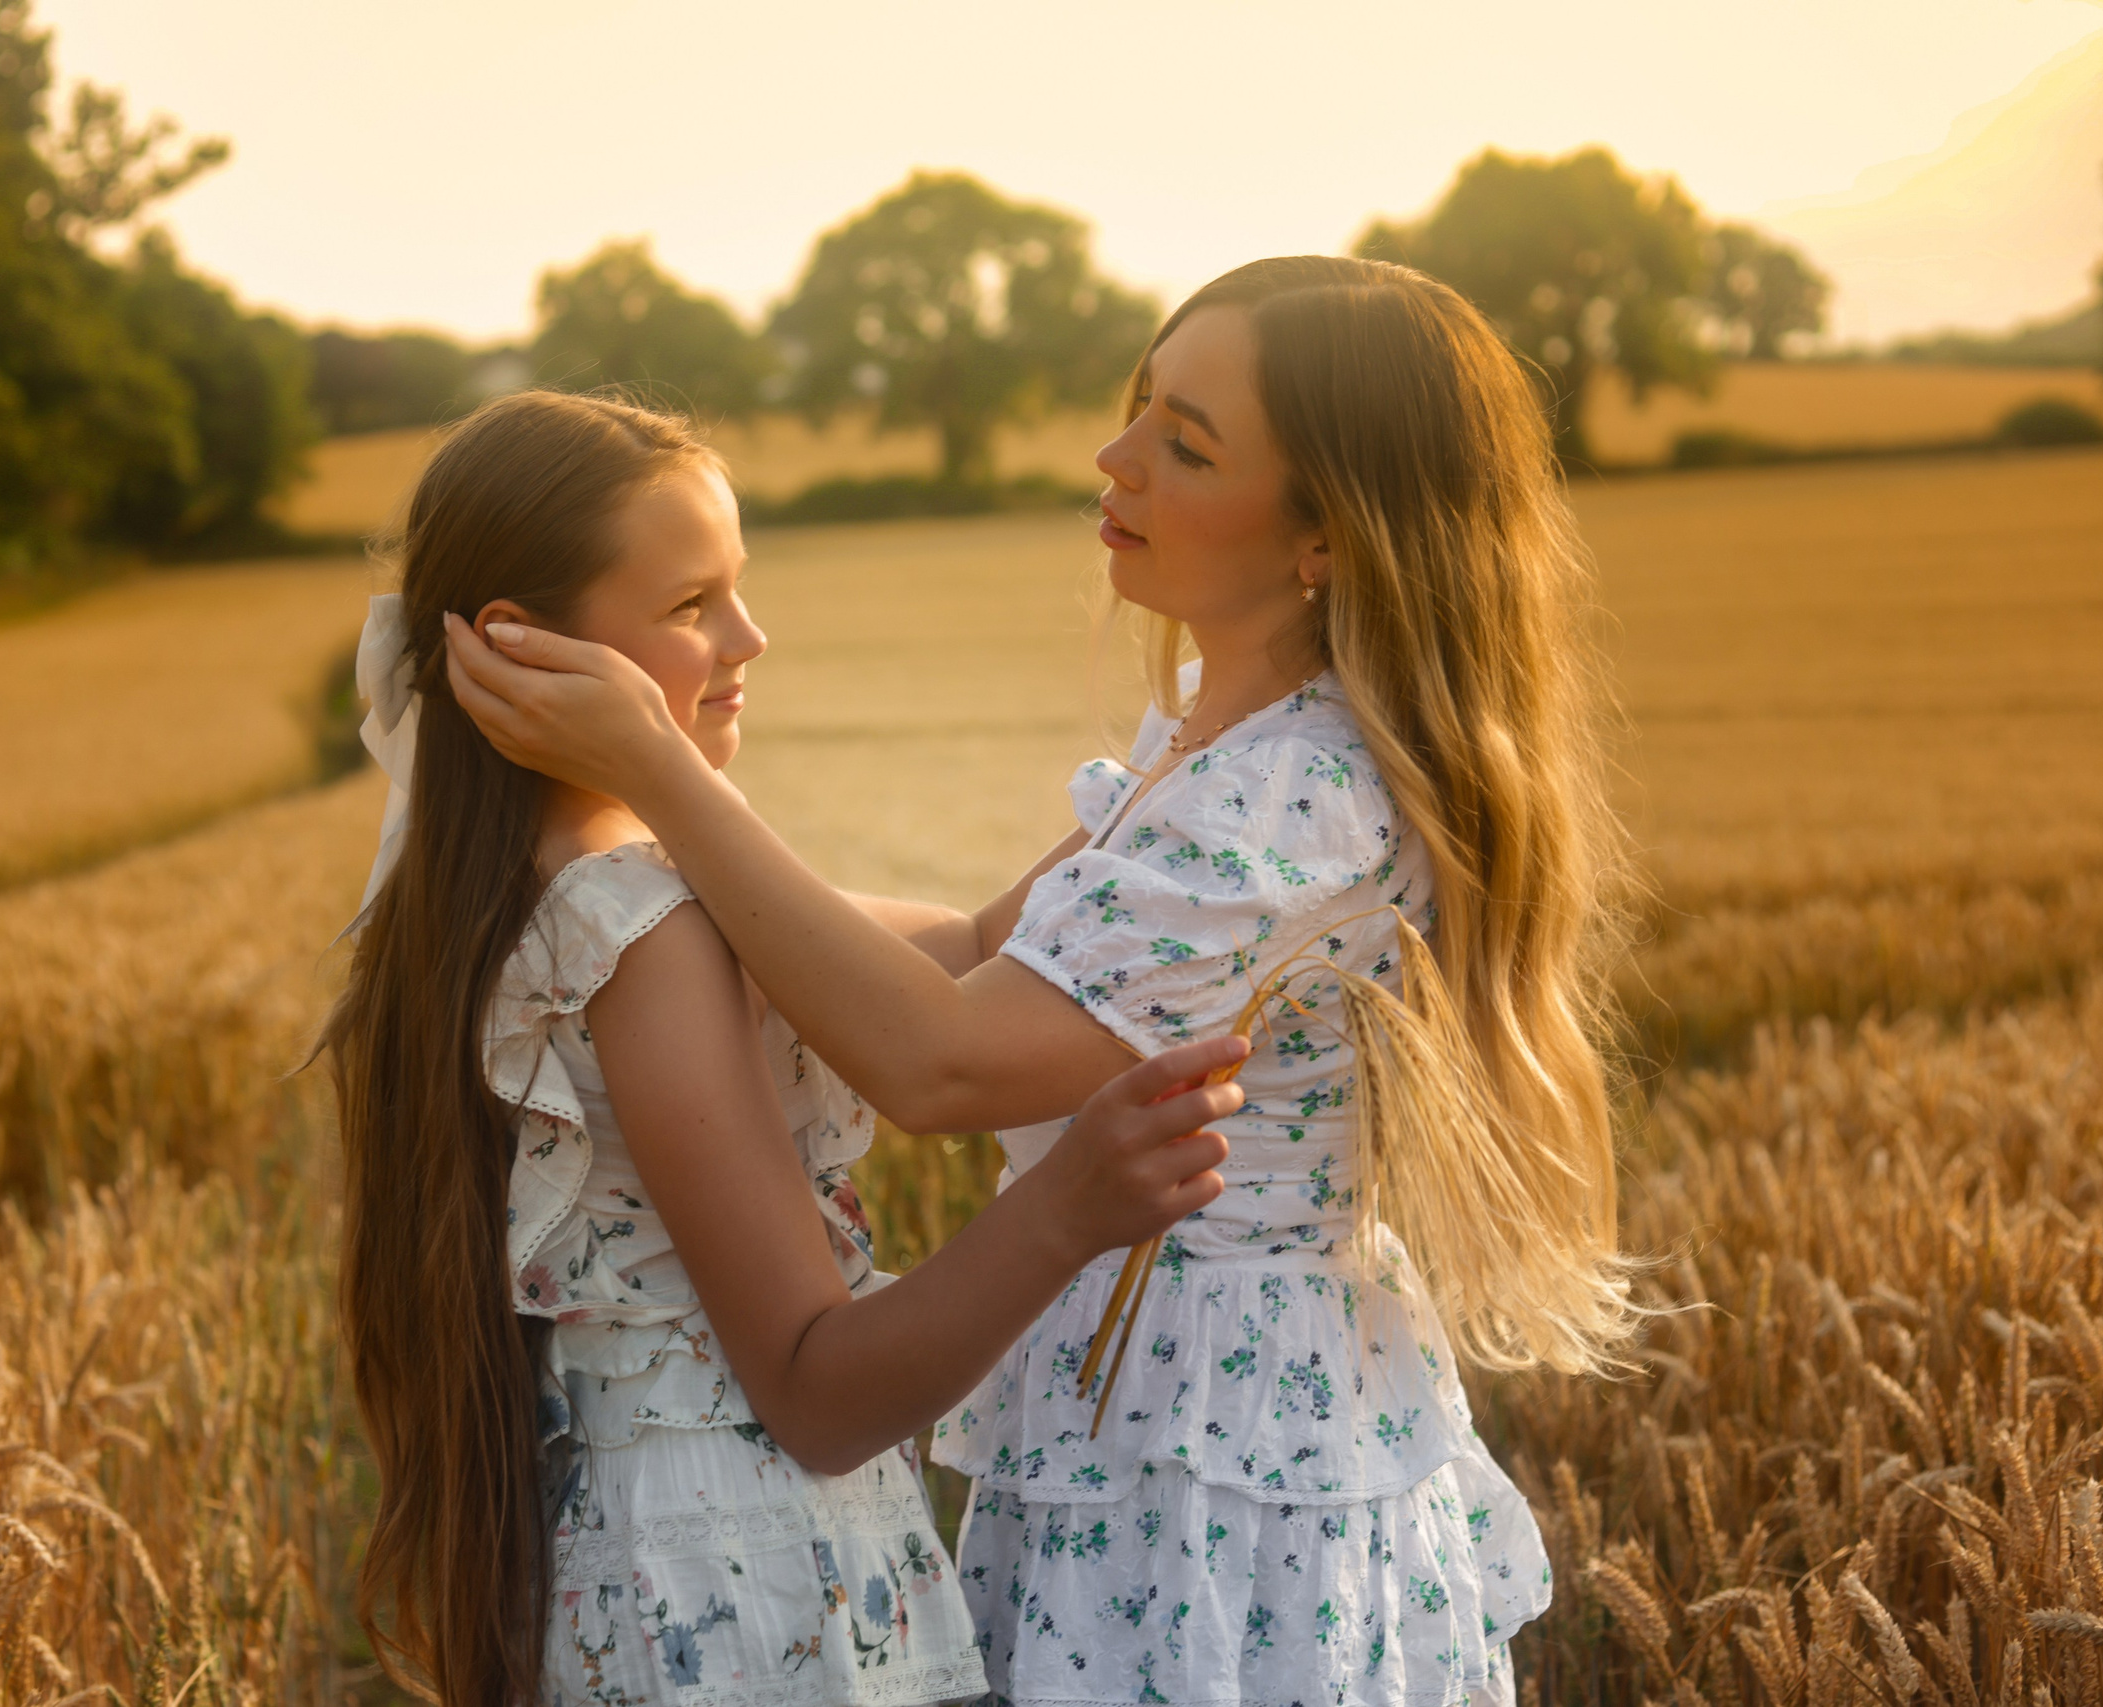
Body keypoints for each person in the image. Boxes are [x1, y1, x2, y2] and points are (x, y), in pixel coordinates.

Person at [443, 256, 1641, 1706]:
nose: (1115, 456)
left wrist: (652, 776)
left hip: (1217, 1456)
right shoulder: (1211, 753)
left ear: (1326, 536)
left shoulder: (1291, 802)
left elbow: (941, 1057)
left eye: (1186, 444)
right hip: (1125, 1408)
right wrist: (641, 867)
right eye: (1142, 405)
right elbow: (972, 957)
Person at [317, 389, 1246, 1707]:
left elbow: (978, 952)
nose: (749, 637)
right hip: (744, 1596)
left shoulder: (531, 895)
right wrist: (1065, 1209)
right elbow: (817, 1393)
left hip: (646, 1574)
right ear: (530, 652)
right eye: (693, 605)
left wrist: (1217, 747)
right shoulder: (634, 930)